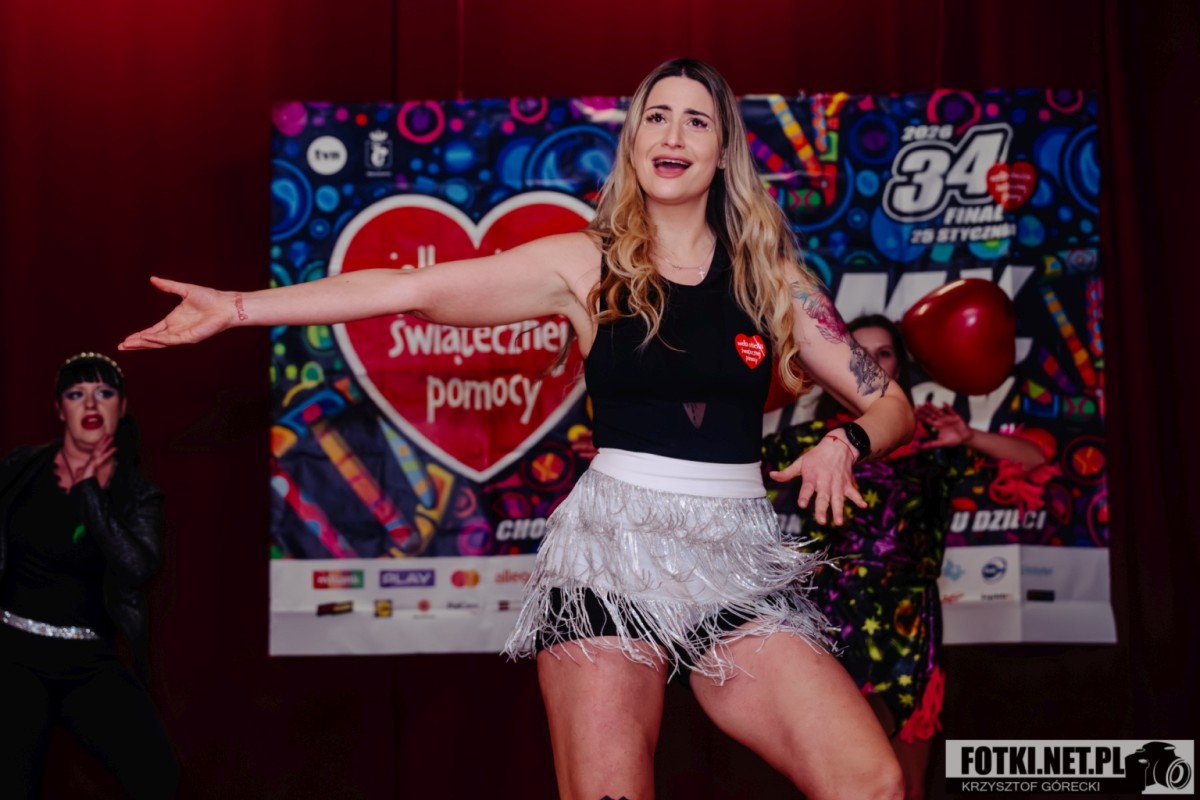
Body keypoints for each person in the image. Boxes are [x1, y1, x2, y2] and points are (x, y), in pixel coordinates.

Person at [121, 58, 914, 799]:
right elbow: (411, 289)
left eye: (696, 121)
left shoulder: (773, 280)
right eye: (656, 117)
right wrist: (237, 308)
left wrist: (848, 440)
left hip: (734, 557)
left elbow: (891, 406)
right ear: (633, 139)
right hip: (613, 560)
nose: (672, 135)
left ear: (724, 150)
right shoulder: (584, 264)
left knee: (870, 780)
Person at [762, 315, 1046, 800]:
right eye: (860, 352)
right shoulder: (808, 442)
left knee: (906, 783)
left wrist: (970, 439)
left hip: (908, 619)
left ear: (900, 367)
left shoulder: (933, 444)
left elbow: (1033, 459)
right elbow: (727, 473)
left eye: (885, 353)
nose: (871, 363)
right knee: (838, 773)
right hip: (832, 615)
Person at [0, 352, 180, 799]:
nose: (91, 404)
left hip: (88, 661)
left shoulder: (137, 496)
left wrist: (89, 493)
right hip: (13, 655)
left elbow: (138, 567)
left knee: (159, 779)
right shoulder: (21, 469)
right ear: (60, 409)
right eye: (76, 394)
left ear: (122, 406)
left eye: (104, 392)